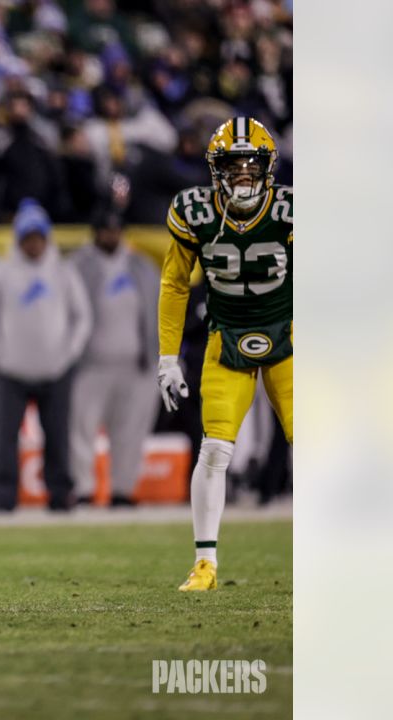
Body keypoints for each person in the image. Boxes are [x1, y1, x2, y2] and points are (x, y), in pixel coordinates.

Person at [158, 117, 293, 592]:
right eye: (232, 166)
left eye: (250, 165)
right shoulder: (194, 211)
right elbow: (175, 283)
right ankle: (205, 565)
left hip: (289, 336)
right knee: (214, 450)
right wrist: (168, 357)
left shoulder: (290, 211)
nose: (242, 175)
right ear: (216, 170)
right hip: (227, 337)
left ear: (267, 167)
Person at [0, 199, 91, 512]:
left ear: (46, 238)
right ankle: (2, 496)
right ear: (19, 239)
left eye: (38, 237)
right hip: (11, 371)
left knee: (59, 436)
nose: (33, 244)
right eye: (28, 237)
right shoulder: (2, 270)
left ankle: (60, 494)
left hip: (55, 370)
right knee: (4, 437)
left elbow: (83, 317)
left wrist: (69, 354)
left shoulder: (63, 271)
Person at [67, 208, 160, 507]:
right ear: (94, 232)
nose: (111, 235)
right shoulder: (77, 266)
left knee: (130, 431)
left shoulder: (142, 267)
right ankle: (82, 488)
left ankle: (122, 489)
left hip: (135, 363)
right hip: (90, 364)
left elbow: (161, 312)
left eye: (115, 229)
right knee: (81, 428)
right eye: (105, 230)